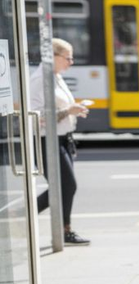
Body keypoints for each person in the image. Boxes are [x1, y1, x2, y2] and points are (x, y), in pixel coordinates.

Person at [29, 39, 89, 245]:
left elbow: (59, 108)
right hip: (48, 141)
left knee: (63, 186)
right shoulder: (40, 80)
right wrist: (67, 111)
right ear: (52, 57)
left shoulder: (55, 77)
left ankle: (64, 230)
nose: (71, 62)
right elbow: (36, 115)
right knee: (66, 186)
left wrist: (75, 110)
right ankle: (26, 218)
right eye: (67, 57)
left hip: (63, 139)